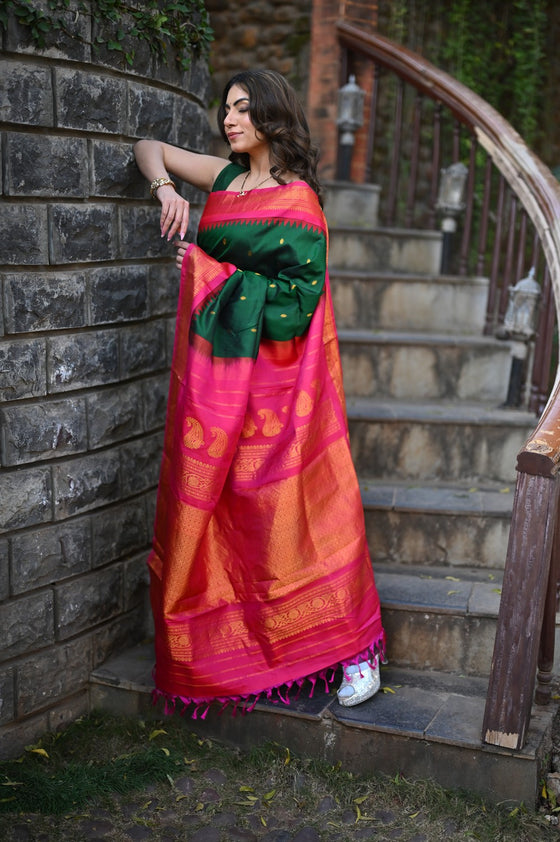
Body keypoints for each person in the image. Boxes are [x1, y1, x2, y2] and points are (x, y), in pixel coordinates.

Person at [133, 69, 385, 716]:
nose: (229, 119)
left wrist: (208, 271)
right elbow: (148, 147)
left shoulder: (296, 199)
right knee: (220, 508)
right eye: (226, 108)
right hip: (214, 381)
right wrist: (166, 191)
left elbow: (298, 304)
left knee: (293, 507)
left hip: (278, 380)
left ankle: (352, 647)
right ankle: (239, 645)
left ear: (272, 116)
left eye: (243, 109)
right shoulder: (220, 179)